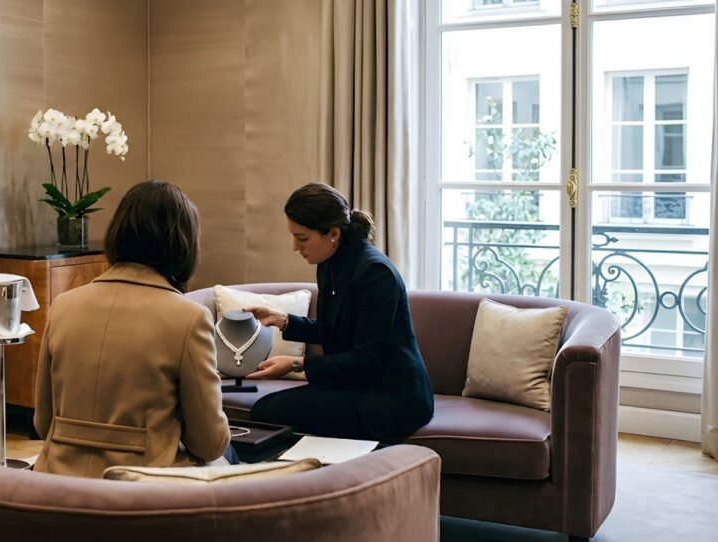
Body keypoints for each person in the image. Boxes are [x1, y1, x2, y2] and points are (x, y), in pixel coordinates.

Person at [32, 180, 232, 477]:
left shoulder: (63, 305)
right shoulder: (189, 318)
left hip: (59, 481)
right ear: (183, 243)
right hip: (140, 487)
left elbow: (43, 423)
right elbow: (209, 443)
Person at [244, 182, 434, 441]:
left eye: (302, 238)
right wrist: (283, 320)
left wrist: (297, 363)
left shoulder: (376, 274)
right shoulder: (329, 263)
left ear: (333, 233)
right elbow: (334, 330)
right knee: (266, 409)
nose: (295, 247)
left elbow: (367, 359)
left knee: (269, 412)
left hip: (393, 397)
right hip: (357, 385)